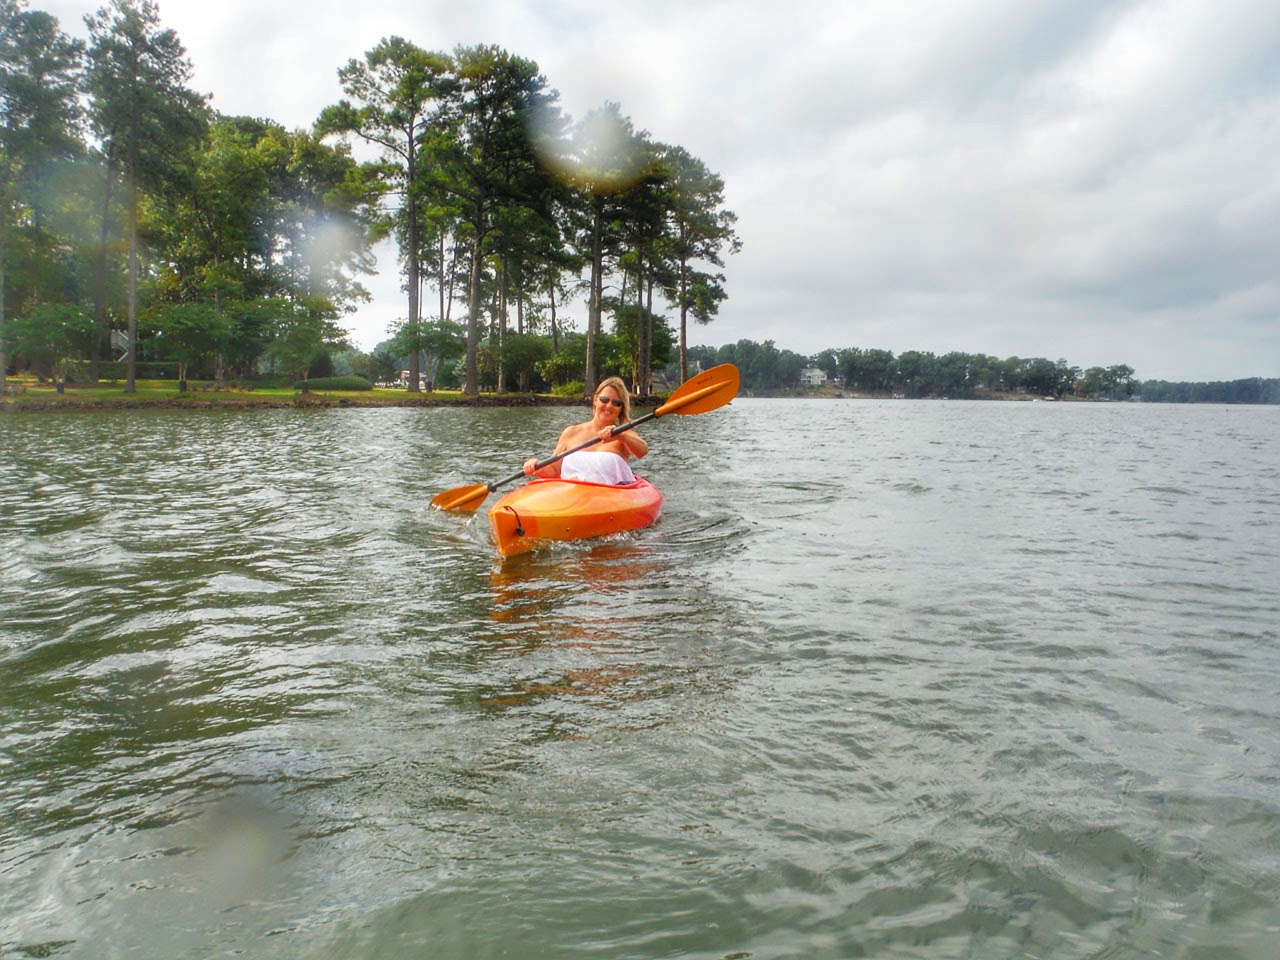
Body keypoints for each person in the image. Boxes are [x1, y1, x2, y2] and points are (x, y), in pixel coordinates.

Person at [522, 376, 648, 484]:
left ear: (621, 408)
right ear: (595, 400)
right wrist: (537, 466)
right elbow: (554, 471)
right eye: (604, 400)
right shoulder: (571, 432)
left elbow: (642, 451)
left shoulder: (623, 433)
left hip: (607, 499)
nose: (609, 406)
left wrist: (621, 436)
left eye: (616, 403)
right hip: (572, 496)